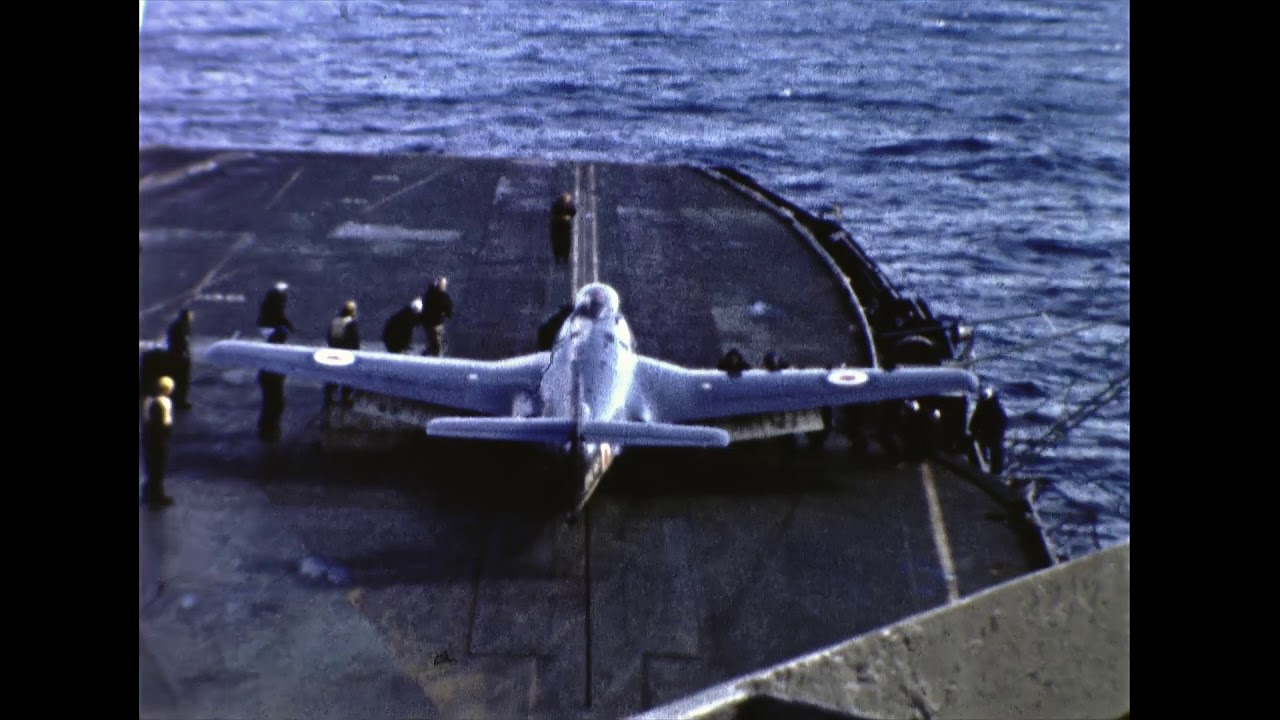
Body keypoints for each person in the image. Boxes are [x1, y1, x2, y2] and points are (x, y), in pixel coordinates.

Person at [141, 376, 176, 507]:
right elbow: (161, 424)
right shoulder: (162, 403)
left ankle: (150, 493)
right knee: (158, 467)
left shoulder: (149, 400)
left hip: (148, 437)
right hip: (157, 439)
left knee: (151, 467)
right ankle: (156, 496)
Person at [325, 300, 360, 407]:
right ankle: (346, 400)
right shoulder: (351, 323)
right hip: (346, 354)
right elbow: (355, 341)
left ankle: (329, 401)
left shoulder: (335, 321)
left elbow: (329, 337)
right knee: (347, 379)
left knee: (332, 378)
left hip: (333, 353)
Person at [968, 387, 1008, 474]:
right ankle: (991, 470)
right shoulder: (995, 407)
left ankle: (980, 467)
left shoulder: (986, 407)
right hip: (990, 433)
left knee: (994, 450)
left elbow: (972, 426)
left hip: (991, 433)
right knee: (993, 450)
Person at [258, 327, 288, 442]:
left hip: (270, 380)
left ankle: (268, 429)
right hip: (272, 380)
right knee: (275, 405)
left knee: (272, 404)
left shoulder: (271, 347)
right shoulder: (276, 349)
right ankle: (269, 431)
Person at [166, 308, 194, 410]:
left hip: (174, 355)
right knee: (182, 380)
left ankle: (174, 399)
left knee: (175, 379)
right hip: (180, 357)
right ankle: (180, 401)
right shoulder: (182, 327)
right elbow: (183, 342)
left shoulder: (177, 326)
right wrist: (185, 353)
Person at [421, 277, 453, 357]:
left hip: (430, 323)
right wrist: (448, 314)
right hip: (436, 323)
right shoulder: (442, 296)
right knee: (436, 343)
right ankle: (433, 356)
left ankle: (428, 354)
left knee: (434, 342)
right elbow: (448, 309)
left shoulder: (429, 294)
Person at [550, 192, 576, 264]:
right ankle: (562, 257)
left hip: (560, 226)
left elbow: (573, 212)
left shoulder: (558, 206)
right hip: (561, 226)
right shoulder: (560, 206)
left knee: (560, 242)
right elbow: (573, 212)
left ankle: (560, 257)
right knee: (563, 242)